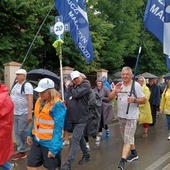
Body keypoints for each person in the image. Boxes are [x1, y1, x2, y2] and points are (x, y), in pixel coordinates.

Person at [108, 66, 146, 170]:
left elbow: (144, 100)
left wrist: (134, 100)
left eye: (127, 74)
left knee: (127, 139)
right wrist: (115, 91)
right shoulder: (119, 85)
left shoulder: (136, 86)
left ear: (131, 75)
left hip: (132, 116)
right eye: (123, 74)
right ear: (121, 75)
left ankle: (122, 161)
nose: (125, 76)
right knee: (126, 138)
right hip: (121, 116)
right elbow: (109, 98)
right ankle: (134, 153)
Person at [27, 78, 66, 170]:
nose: (39, 94)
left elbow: (58, 128)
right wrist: (30, 133)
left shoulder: (58, 105)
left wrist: (54, 148)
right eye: (39, 92)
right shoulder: (39, 101)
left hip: (49, 142)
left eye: (42, 92)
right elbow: (36, 119)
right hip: (37, 139)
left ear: (51, 91)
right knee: (31, 166)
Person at [61, 70, 91, 170]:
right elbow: (68, 98)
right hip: (73, 118)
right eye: (74, 79)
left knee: (74, 139)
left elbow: (76, 94)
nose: (76, 80)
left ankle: (68, 163)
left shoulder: (85, 85)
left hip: (82, 118)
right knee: (80, 137)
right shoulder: (73, 88)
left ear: (81, 77)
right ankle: (86, 155)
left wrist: (69, 87)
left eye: (77, 78)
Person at [10, 69, 33, 161]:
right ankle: (22, 151)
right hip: (15, 112)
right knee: (16, 132)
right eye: (17, 74)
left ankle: (33, 142)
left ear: (24, 76)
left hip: (23, 112)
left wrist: (29, 114)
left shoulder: (27, 85)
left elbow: (30, 100)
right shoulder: (16, 84)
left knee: (21, 131)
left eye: (19, 75)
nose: (17, 76)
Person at [0, 82, 17, 170]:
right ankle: (10, 167)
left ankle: (9, 167)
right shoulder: (3, 96)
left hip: (2, 130)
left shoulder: (3, 98)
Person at [94, 77, 114, 147]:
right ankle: (100, 135)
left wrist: (102, 98)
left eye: (100, 82)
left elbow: (110, 97)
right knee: (99, 121)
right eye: (97, 82)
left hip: (104, 107)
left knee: (103, 121)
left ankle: (107, 129)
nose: (99, 83)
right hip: (97, 108)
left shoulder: (105, 89)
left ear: (102, 83)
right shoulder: (94, 90)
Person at [62, 76, 71, 146]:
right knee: (65, 125)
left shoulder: (72, 91)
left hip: (72, 111)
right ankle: (66, 139)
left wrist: (67, 102)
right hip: (65, 110)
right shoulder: (63, 91)